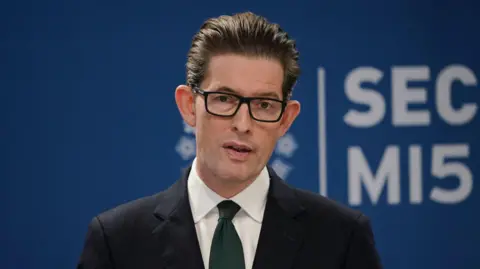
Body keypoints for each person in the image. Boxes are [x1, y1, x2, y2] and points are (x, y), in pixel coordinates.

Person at [77, 11, 382, 269]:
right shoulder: (117, 241)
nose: (243, 124)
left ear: (286, 119)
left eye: (264, 105)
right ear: (188, 105)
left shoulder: (342, 238)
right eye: (224, 99)